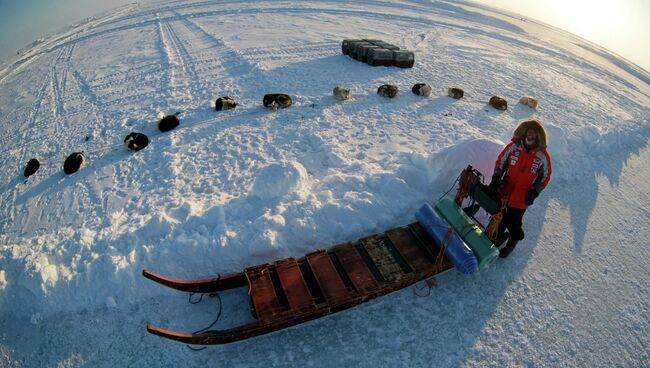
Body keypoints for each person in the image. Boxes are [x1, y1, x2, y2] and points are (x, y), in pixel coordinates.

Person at [490, 119, 552, 258]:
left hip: (522, 197)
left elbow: (545, 176)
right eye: (529, 131)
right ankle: (497, 236)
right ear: (524, 131)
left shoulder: (542, 156)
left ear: (538, 136)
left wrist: (535, 191)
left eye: (534, 132)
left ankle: (512, 243)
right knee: (500, 217)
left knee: (514, 223)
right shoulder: (514, 147)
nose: (531, 134)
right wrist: (496, 178)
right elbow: (501, 162)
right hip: (505, 190)